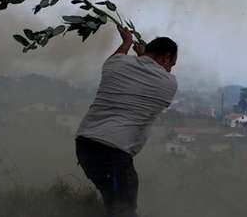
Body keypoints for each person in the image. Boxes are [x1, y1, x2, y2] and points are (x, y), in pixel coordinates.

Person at [75, 24, 178, 217]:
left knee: (113, 203)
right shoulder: (169, 84)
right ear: (166, 57)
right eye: (171, 64)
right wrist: (143, 57)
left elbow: (119, 59)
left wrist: (126, 42)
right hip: (114, 153)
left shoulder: (115, 64)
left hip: (85, 145)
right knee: (124, 210)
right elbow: (153, 78)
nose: (170, 69)